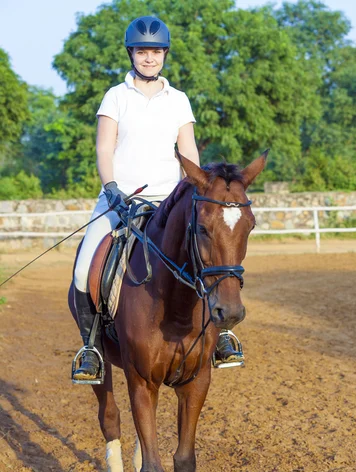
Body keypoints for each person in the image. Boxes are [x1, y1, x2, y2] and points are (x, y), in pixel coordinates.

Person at [72, 16, 244, 381]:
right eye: (141, 51)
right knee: (83, 267)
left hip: (171, 202)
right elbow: (104, 148)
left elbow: (189, 153)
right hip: (121, 198)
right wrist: (112, 188)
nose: (148, 58)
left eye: (155, 51)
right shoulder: (115, 96)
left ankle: (224, 335)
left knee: (214, 252)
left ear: (164, 54)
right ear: (131, 53)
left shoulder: (178, 100)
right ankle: (91, 348)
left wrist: (199, 194)